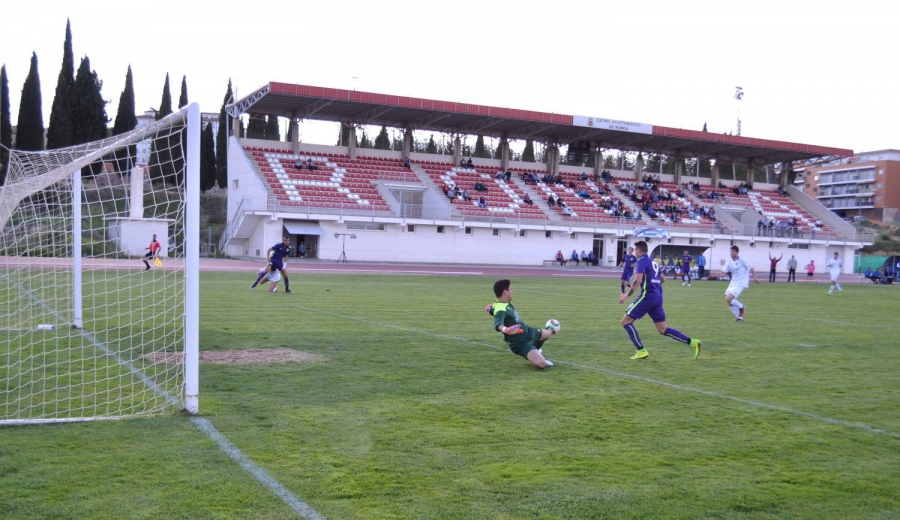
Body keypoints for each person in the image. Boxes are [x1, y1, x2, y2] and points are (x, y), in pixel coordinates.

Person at [618, 241, 701, 360]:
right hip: (658, 297)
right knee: (663, 329)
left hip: (647, 296)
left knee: (625, 321)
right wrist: (655, 287)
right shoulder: (653, 261)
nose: (635, 252)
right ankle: (692, 342)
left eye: (635, 250)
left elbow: (638, 281)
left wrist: (626, 296)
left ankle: (641, 350)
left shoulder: (641, 261)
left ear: (638, 250)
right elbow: (663, 279)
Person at [488, 279, 555, 369]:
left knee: (546, 334)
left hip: (527, 330)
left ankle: (536, 351)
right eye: (511, 289)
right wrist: (505, 329)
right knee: (541, 364)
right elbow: (498, 324)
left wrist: (490, 309)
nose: (513, 292)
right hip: (520, 342)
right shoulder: (500, 308)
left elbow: (494, 310)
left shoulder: (499, 304)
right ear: (505, 292)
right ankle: (533, 354)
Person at [722, 245, 760, 322]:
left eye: (733, 251)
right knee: (729, 302)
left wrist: (755, 278)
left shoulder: (742, 260)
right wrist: (716, 274)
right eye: (731, 251)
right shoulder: (729, 262)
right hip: (733, 283)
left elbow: (751, 268)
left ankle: (742, 307)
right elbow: (723, 272)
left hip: (740, 283)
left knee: (728, 298)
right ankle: (739, 318)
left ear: (737, 252)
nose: (731, 253)